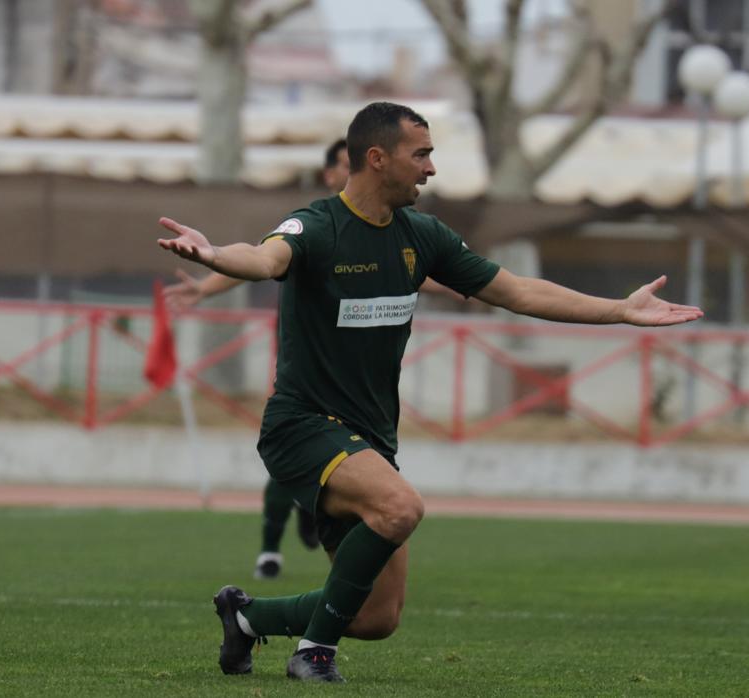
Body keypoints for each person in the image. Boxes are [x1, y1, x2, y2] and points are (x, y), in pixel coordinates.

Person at [156, 101, 703, 682]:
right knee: (402, 506)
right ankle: (313, 654)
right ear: (377, 158)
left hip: (369, 440)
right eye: (421, 155)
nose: (431, 169)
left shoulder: (424, 236)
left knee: (375, 617)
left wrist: (619, 310)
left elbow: (517, 291)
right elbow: (265, 258)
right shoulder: (315, 226)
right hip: (302, 426)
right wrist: (216, 255)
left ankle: (247, 618)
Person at [163, 138, 461, 581]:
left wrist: (466, 285)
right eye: (347, 164)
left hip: (362, 393)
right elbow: (264, 259)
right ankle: (272, 548)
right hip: (309, 378)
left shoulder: (399, 228)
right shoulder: (314, 226)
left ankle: (316, 510)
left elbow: (411, 271)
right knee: (298, 456)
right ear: (331, 175)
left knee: (376, 601)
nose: (358, 172)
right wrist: (207, 282)